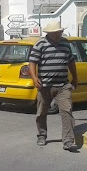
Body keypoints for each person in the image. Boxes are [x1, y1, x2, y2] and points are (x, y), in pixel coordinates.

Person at [28, 21, 79, 152]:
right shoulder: (40, 44)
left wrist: (75, 77)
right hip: (45, 85)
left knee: (67, 110)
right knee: (41, 112)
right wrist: (34, 78)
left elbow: (71, 62)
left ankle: (68, 140)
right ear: (49, 33)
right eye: (55, 33)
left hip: (63, 85)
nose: (58, 35)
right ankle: (42, 135)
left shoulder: (65, 43)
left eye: (59, 32)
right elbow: (32, 62)